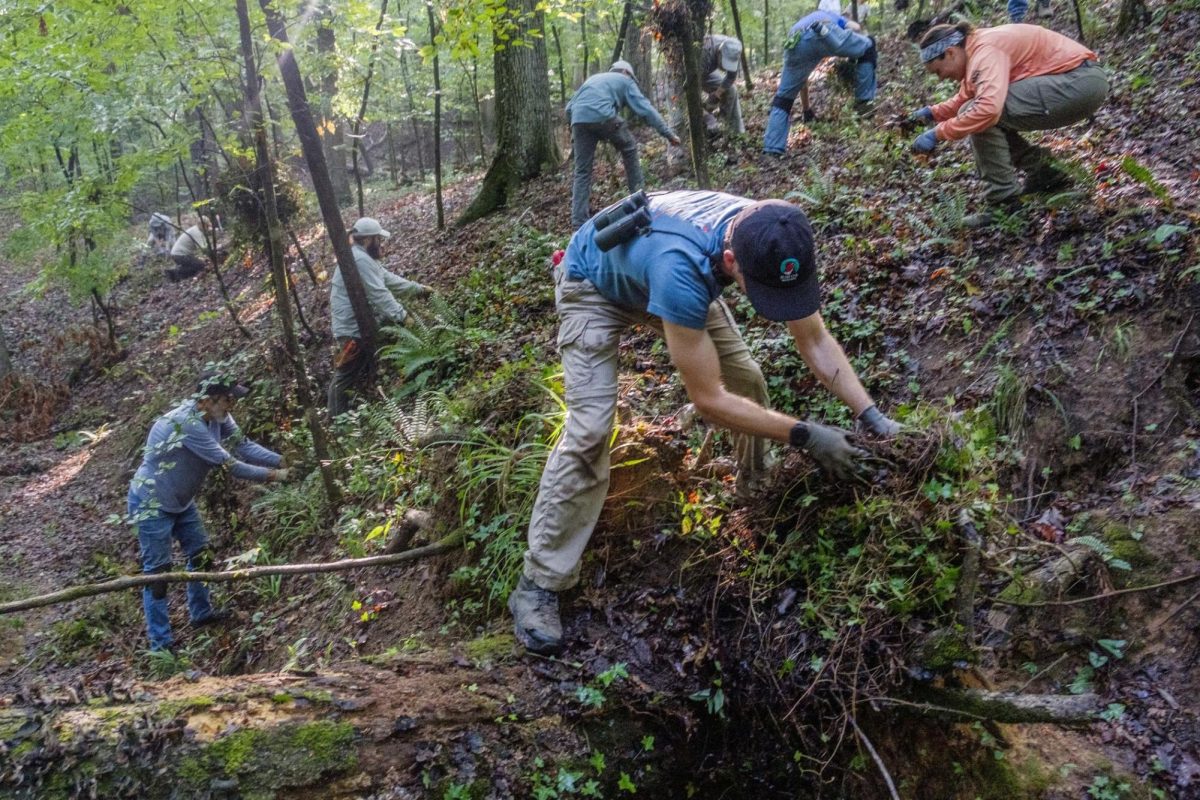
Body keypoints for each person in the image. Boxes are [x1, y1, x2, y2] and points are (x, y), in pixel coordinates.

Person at [507, 191, 901, 654]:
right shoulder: (681, 268)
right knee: (591, 429)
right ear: (732, 262)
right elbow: (709, 400)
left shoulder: (774, 233)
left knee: (747, 381)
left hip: (661, 265)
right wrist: (806, 435)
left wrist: (871, 416)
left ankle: (757, 497)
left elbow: (813, 339)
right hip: (593, 283)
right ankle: (539, 583)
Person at [128, 371, 288, 652]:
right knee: (158, 575)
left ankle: (201, 614)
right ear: (207, 400)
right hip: (151, 502)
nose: (231, 404)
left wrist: (283, 460)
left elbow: (244, 445)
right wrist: (277, 476)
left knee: (201, 555)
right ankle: (161, 646)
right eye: (227, 399)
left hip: (181, 501)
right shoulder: (188, 423)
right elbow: (231, 465)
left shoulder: (218, 417)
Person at [907, 22, 1107, 227]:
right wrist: (931, 113)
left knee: (977, 113)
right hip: (1079, 81)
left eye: (938, 71)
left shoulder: (985, 51)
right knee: (973, 109)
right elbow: (967, 96)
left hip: (1079, 82)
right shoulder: (976, 50)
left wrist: (937, 134)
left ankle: (1004, 204)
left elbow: (987, 109)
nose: (940, 79)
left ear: (950, 53)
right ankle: (1046, 172)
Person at [328, 217, 432, 417]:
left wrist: (419, 290)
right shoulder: (359, 259)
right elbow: (379, 294)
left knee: (348, 374)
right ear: (367, 240)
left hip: (354, 326)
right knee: (345, 375)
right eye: (378, 239)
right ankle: (336, 423)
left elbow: (386, 278)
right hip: (351, 329)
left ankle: (343, 418)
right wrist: (403, 317)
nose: (380, 243)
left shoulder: (361, 258)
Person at [566, 61, 681, 228]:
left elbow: (569, 108)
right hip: (604, 115)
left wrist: (575, 130)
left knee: (582, 172)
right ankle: (639, 202)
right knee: (630, 149)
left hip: (578, 119)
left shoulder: (594, 79)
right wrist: (668, 134)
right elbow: (646, 110)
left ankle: (578, 223)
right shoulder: (625, 81)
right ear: (627, 73)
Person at [763, 8, 878, 155]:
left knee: (784, 98)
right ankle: (864, 104)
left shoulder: (805, 20)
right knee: (868, 46)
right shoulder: (835, 16)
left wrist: (806, 110)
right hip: (824, 31)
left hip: (795, 40)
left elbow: (802, 80)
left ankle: (772, 148)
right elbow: (856, 28)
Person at [669, 34, 746, 147]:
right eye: (724, 62)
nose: (726, 67)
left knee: (731, 90)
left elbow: (730, 77)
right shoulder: (703, 53)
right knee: (680, 112)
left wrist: (717, 94)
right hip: (684, 74)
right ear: (719, 52)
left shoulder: (734, 50)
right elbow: (691, 93)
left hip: (706, 71)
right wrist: (707, 116)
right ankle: (681, 149)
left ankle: (733, 133)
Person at [168, 217, 214, 282]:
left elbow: (204, 244)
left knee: (195, 265)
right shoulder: (196, 232)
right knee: (201, 266)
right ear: (202, 224)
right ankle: (175, 273)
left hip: (177, 254)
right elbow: (203, 248)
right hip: (180, 255)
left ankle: (177, 271)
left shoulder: (197, 230)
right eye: (207, 225)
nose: (208, 227)